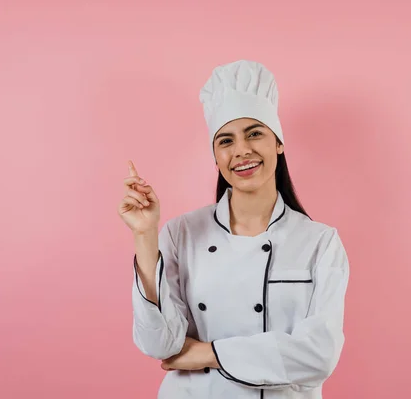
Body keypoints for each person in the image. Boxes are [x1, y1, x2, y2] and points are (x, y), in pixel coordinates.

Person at [118, 60, 350, 398]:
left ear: (279, 143)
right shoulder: (180, 234)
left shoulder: (320, 243)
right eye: (225, 141)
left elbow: (319, 355)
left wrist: (207, 353)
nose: (241, 150)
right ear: (216, 157)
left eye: (255, 133)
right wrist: (144, 234)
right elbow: (159, 343)